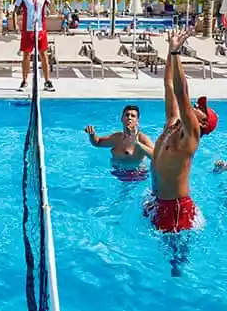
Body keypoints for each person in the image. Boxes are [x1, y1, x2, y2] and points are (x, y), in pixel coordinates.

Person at [145, 30, 218, 234]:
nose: (196, 105)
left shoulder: (191, 136)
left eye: (201, 108)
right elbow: (169, 85)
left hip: (176, 209)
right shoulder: (172, 123)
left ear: (202, 123)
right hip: (157, 201)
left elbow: (181, 92)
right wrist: (170, 51)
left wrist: (178, 53)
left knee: (175, 262)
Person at [84, 105, 154, 181]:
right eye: (127, 115)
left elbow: (157, 156)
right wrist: (92, 134)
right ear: (122, 118)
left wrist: (137, 143)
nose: (129, 117)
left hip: (135, 176)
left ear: (137, 121)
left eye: (133, 116)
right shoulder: (117, 137)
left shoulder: (142, 138)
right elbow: (97, 143)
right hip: (116, 173)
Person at [12, 0, 55, 92]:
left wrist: (51, 0)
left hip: (41, 29)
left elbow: (52, 11)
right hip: (27, 30)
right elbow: (15, 10)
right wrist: (15, 25)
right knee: (26, 55)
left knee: (44, 55)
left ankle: (47, 81)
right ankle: (24, 81)